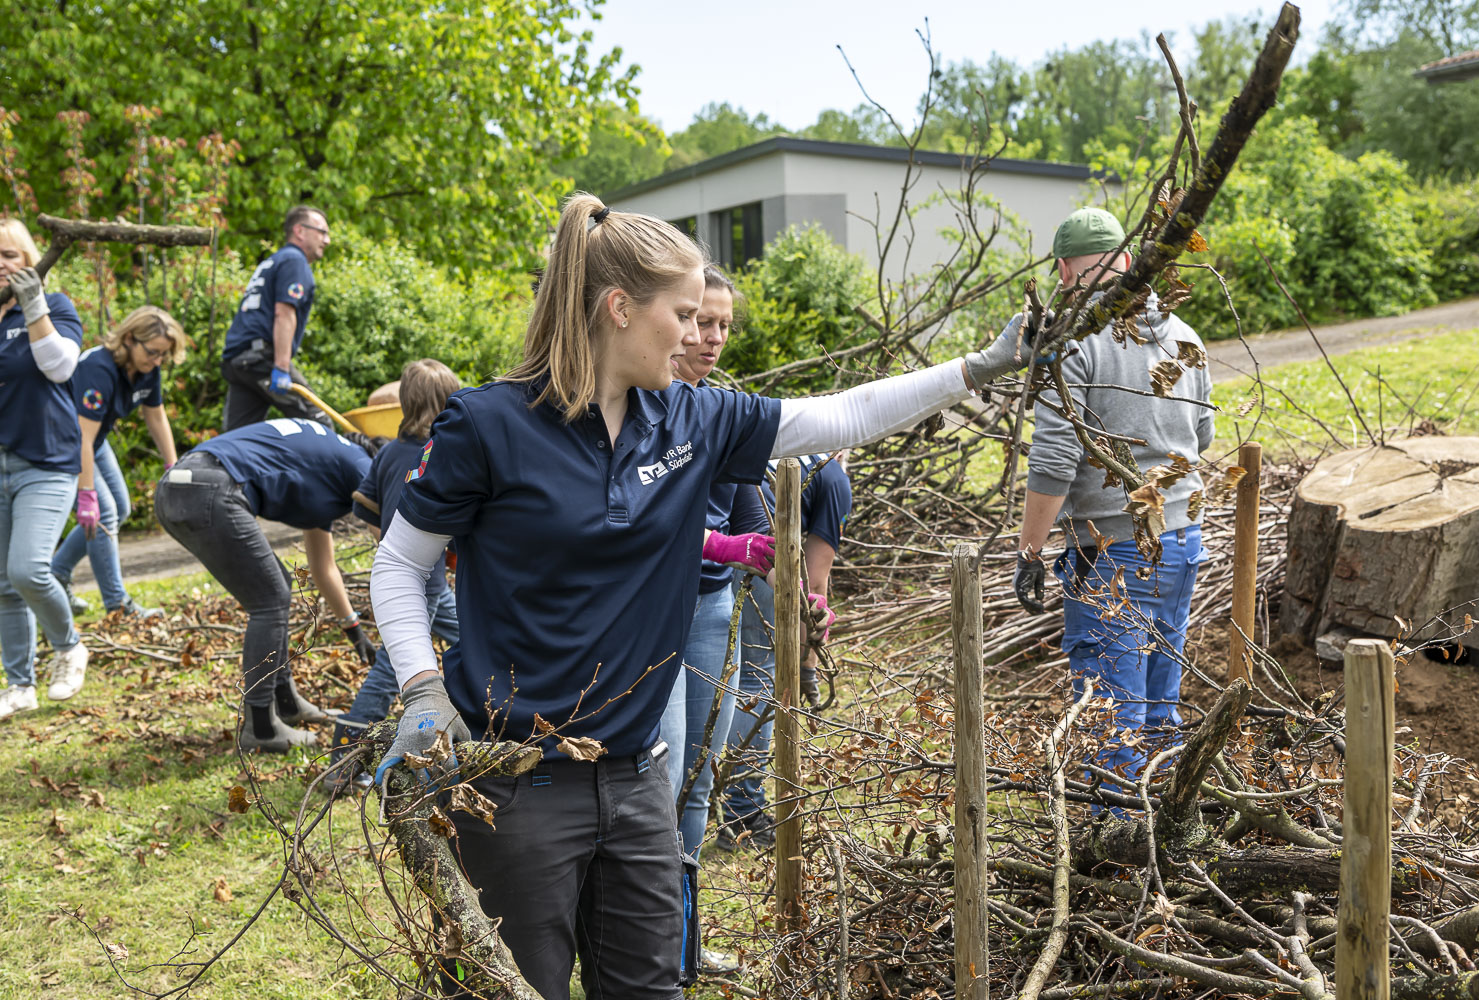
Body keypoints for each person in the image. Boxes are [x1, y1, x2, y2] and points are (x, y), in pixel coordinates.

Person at [368, 193, 1042, 1000]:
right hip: (515, 782)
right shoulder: (489, 424)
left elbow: (842, 415)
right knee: (517, 988)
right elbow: (399, 564)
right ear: (619, 309)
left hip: (636, 778)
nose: (699, 335)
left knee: (653, 989)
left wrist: (977, 368)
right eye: (683, 314)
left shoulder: (694, 418)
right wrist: (418, 684)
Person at [1012, 207, 1214, 777]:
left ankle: (1121, 837)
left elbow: (1053, 460)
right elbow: (1202, 435)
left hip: (1113, 549)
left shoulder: (1074, 344)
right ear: (1127, 262)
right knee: (1157, 698)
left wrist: (1029, 552)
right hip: (1181, 538)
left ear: (1062, 270)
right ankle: (1167, 823)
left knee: (1110, 708)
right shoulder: (1183, 335)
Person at [154, 418, 380, 751]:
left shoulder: (327, 460)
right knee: (271, 598)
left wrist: (353, 629)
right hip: (212, 487)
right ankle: (260, 728)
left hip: (174, 487)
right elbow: (390, 545)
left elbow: (322, 566)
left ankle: (284, 703)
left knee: (275, 588)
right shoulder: (363, 464)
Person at [659, 264, 776, 864]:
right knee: (666, 771)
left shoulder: (718, 411)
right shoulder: (641, 410)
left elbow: (751, 516)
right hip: (652, 609)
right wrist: (724, 547)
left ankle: (687, 941)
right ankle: (648, 943)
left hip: (711, 607)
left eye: (725, 326)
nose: (714, 338)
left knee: (701, 775)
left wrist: (795, 588)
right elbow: (647, 524)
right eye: (702, 321)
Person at [325, 359, 462, 795]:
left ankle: (482, 725)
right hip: (424, 588)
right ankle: (342, 764)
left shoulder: (386, 452)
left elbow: (365, 510)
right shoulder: (441, 454)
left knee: (477, 638)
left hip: (402, 581)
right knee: (387, 675)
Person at [718, 451, 852, 852]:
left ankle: (702, 796)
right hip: (763, 553)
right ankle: (744, 812)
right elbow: (816, 584)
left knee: (722, 674)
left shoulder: (786, 450)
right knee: (759, 674)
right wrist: (808, 662)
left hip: (719, 541)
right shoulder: (835, 479)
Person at [0, 218, 90, 719]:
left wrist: (33, 308)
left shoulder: (55, 306)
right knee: (2, 584)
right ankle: (19, 684)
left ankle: (69, 646)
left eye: (10, 255)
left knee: (28, 569)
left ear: (30, 261)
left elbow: (59, 366)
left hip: (46, 461)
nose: (1, 264)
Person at [51, 306, 184, 619]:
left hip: (93, 440)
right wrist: (86, 494)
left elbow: (155, 414)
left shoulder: (148, 367)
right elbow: (80, 438)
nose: (157, 362)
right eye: (152, 353)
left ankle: (57, 572)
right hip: (62, 441)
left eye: (163, 356)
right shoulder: (99, 369)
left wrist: (173, 467)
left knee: (119, 508)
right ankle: (118, 606)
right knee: (103, 512)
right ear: (128, 339)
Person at [219, 205, 332, 431]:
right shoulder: (294, 260)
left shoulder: (273, 261)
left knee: (237, 437)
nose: (327, 240)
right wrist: (281, 367)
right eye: (322, 232)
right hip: (261, 359)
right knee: (319, 425)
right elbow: (284, 312)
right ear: (299, 231)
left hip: (239, 360)